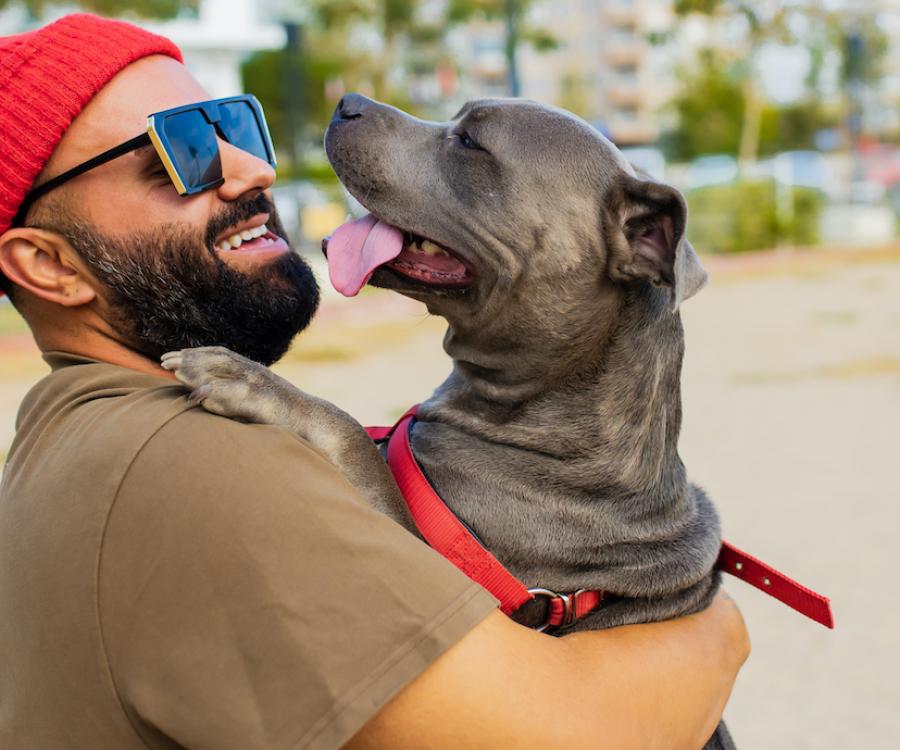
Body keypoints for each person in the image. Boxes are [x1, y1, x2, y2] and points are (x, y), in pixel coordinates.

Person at [0, 14, 749, 750]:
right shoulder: (192, 466)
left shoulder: (70, 444)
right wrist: (716, 630)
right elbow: (571, 740)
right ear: (49, 265)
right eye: (180, 151)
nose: (254, 170)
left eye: (234, 127)